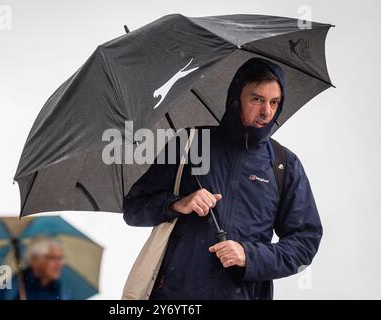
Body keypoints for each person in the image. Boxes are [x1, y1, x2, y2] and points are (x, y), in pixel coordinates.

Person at [123, 57, 323, 300]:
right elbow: (134, 209)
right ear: (236, 98)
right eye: (257, 99)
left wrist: (249, 256)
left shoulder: (284, 164)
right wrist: (178, 204)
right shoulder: (191, 143)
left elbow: (305, 243)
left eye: (274, 102)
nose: (266, 111)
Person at [0, 237, 71, 300]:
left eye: (60, 258)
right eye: (53, 258)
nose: (59, 264)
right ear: (35, 259)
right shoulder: (11, 289)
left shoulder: (62, 293)